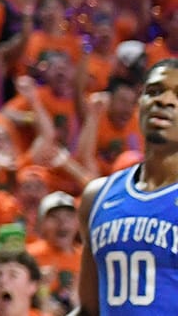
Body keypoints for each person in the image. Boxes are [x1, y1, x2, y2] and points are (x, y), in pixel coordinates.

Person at [75, 58, 178, 315]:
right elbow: (88, 310)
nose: (164, 100)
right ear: (139, 104)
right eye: (154, 91)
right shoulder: (97, 196)